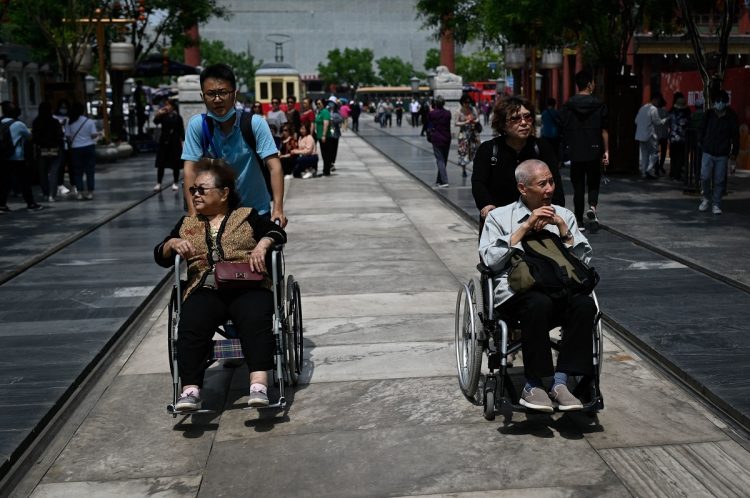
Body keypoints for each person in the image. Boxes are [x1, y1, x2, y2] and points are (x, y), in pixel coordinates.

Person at [154, 158, 287, 410]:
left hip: (247, 284)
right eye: (193, 190)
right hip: (206, 288)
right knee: (191, 321)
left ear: (224, 193)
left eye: (202, 189)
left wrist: (263, 243)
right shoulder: (186, 224)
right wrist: (171, 244)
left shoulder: (246, 216)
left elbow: (278, 233)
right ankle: (190, 390)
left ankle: (258, 384)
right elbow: (160, 255)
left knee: (255, 317)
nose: (195, 194)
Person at [479, 159, 594, 412]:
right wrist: (526, 227)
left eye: (552, 181)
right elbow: (489, 262)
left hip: (561, 289)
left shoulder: (564, 215)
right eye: (542, 184)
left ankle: (561, 382)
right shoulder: (499, 217)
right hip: (517, 293)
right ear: (523, 188)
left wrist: (563, 230)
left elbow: (583, 264)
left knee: (585, 305)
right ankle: (534, 383)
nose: (550, 189)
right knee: (537, 302)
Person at [181, 64, 286, 225]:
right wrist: (193, 214)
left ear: (234, 94)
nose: (217, 99)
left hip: (255, 212)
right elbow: (189, 171)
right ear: (203, 97)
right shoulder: (198, 126)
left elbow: (275, 167)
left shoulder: (254, 124)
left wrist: (277, 209)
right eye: (211, 94)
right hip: (214, 215)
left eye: (223, 92)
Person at [472, 96, 565, 230]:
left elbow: (555, 182)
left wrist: (555, 212)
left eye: (527, 117)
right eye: (515, 118)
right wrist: (486, 205)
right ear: (503, 124)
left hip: (537, 222)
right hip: (499, 221)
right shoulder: (488, 150)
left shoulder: (541, 148)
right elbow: (478, 182)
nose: (523, 122)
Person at [560, 70, 609, 232]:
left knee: (578, 186)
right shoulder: (599, 104)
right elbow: (604, 130)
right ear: (589, 84)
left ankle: (579, 221)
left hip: (575, 150)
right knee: (594, 182)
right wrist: (606, 151)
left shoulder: (568, 105)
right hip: (594, 149)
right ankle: (593, 208)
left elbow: (563, 127)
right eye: (593, 82)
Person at [697, 90, 739, 215]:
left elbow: (735, 136)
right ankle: (706, 198)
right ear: (714, 102)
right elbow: (701, 129)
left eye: (722, 101)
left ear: (726, 102)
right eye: (717, 101)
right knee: (704, 176)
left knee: (719, 180)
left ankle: (716, 204)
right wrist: (701, 141)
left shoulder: (731, 116)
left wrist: (733, 154)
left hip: (722, 153)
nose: (719, 103)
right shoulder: (709, 114)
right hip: (708, 150)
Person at [0, 101, 43, 212]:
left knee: (5, 182)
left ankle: (2, 205)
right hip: (17, 157)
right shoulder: (19, 124)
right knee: (24, 181)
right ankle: (31, 203)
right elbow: (29, 137)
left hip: (3, 157)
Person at [65, 102, 100, 201]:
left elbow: (67, 136)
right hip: (89, 147)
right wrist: (98, 134)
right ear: (83, 111)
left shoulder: (69, 122)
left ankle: (79, 192)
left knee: (77, 171)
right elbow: (93, 135)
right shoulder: (89, 121)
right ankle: (90, 192)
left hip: (76, 148)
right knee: (90, 171)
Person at [32, 102, 64, 202]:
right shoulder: (54, 122)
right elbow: (60, 135)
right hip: (54, 149)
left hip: (42, 149)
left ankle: (45, 193)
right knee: (54, 172)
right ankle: (52, 195)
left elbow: (35, 137)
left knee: (43, 172)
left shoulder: (36, 122)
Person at [153, 99, 185, 192]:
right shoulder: (163, 116)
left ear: (172, 106)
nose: (166, 106)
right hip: (164, 142)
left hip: (175, 143)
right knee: (161, 164)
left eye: (168, 105)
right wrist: (159, 113)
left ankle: (175, 182)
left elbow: (181, 130)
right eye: (165, 105)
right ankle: (159, 183)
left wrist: (183, 142)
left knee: (175, 164)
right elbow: (155, 121)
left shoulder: (178, 117)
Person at [634, 92, 666, 180]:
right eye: (659, 101)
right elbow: (657, 122)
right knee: (655, 153)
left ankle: (644, 172)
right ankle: (648, 169)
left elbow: (636, 121)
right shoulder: (653, 109)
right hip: (649, 135)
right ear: (655, 100)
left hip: (640, 135)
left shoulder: (642, 108)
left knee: (644, 155)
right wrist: (665, 120)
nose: (659, 103)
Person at [427, 95, 452, 188]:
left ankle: (444, 181)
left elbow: (428, 124)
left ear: (436, 104)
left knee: (440, 160)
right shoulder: (448, 113)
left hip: (437, 138)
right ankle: (439, 180)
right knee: (443, 160)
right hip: (447, 138)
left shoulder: (432, 114)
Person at [667, 92, 691, 181]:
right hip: (683, 140)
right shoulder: (687, 114)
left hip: (673, 139)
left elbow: (668, 123)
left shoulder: (671, 112)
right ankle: (677, 175)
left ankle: (672, 173)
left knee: (673, 157)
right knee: (680, 158)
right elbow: (689, 124)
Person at [456, 94, 481, 177]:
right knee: (463, 151)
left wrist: (474, 121)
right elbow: (456, 123)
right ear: (462, 103)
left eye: (469, 102)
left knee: (475, 150)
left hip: (473, 133)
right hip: (463, 134)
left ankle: (476, 169)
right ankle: (464, 170)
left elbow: (478, 118)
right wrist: (465, 122)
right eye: (466, 102)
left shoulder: (473, 109)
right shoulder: (459, 111)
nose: (467, 104)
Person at [540, 97, 561, 163]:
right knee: (555, 150)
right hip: (554, 134)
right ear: (554, 104)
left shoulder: (544, 113)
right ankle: (555, 162)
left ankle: (547, 162)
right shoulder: (556, 113)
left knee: (546, 150)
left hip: (545, 134)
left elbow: (542, 122)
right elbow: (560, 122)